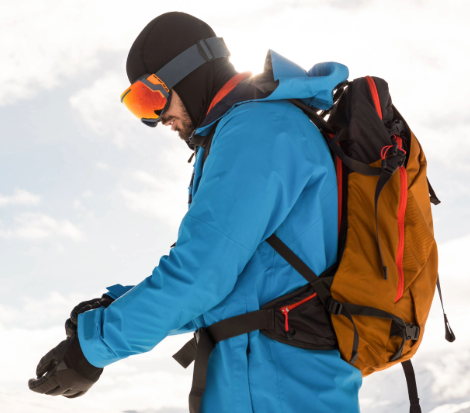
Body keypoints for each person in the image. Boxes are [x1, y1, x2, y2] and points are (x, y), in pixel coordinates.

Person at [28, 11, 362, 413]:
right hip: (266, 379)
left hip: (280, 387)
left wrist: (91, 349)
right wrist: (113, 307)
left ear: (186, 71)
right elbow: (231, 289)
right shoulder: (251, 128)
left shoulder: (257, 129)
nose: (156, 120)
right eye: (139, 106)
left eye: (150, 98)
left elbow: (201, 275)